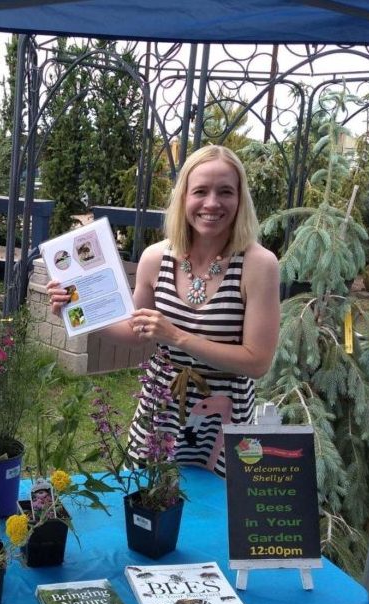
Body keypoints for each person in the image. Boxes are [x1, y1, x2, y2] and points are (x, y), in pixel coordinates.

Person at [47, 145, 280, 475]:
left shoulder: (258, 265)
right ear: (184, 197)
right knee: (148, 503)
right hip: (161, 407)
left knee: (214, 512)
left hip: (225, 414)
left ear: (241, 199)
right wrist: (78, 310)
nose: (212, 203)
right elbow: (134, 333)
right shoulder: (156, 258)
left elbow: (257, 362)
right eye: (200, 191)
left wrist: (176, 336)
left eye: (225, 191)